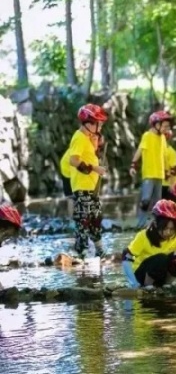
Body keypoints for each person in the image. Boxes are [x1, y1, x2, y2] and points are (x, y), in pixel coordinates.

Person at [68, 104, 108, 258]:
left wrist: (95, 144)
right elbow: (74, 160)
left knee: (96, 218)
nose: (101, 127)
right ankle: (82, 250)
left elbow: (88, 156)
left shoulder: (87, 138)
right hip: (82, 186)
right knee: (83, 219)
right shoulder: (78, 137)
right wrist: (95, 169)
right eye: (99, 124)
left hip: (91, 187)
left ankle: (99, 248)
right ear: (90, 123)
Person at [122, 200, 176, 288]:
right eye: (165, 228)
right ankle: (148, 287)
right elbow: (126, 258)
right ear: (156, 223)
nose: (168, 233)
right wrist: (134, 283)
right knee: (161, 258)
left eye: (172, 229)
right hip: (141, 276)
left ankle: (167, 285)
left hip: (161, 275)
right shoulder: (143, 236)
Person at [130, 111, 173, 229]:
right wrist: (133, 164)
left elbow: (164, 156)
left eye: (168, 127)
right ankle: (140, 224)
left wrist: (167, 170)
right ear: (156, 125)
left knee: (157, 203)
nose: (167, 129)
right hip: (149, 173)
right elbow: (140, 150)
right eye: (165, 126)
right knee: (145, 200)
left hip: (159, 174)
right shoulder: (147, 136)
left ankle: (154, 224)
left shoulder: (163, 138)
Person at [162, 130, 176, 201]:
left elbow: (174, 170)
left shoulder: (171, 152)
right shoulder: (156, 151)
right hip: (159, 184)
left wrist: (172, 185)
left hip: (168, 184)